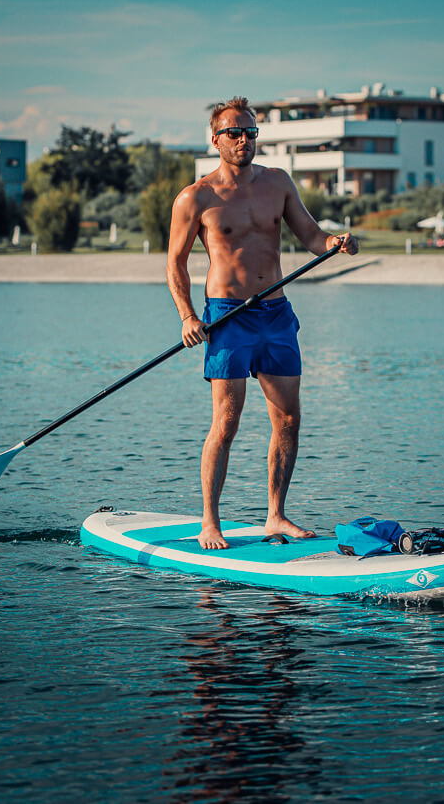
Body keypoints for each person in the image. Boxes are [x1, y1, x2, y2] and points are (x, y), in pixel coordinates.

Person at [167, 96, 358, 550]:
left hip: (276, 316)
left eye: (251, 132)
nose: (243, 139)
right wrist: (187, 316)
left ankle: (275, 515)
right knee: (226, 424)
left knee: (288, 420)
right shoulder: (196, 197)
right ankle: (210, 523)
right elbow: (175, 264)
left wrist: (335, 242)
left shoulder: (278, 184)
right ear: (215, 139)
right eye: (234, 132)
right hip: (228, 318)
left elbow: (311, 236)